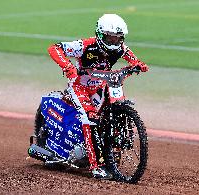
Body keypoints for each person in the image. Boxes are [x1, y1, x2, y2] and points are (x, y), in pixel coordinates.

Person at [47, 14, 149, 179]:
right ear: (100, 34)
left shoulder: (121, 48)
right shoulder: (85, 46)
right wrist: (67, 66)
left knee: (112, 111)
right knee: (90, 118)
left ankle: (110, 152)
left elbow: (131, 57)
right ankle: (96, 166)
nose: (114, 42)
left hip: (101, 86)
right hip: (79, 86)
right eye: (110, 38)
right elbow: (55, 48)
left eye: (118, 38)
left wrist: (138, 64)